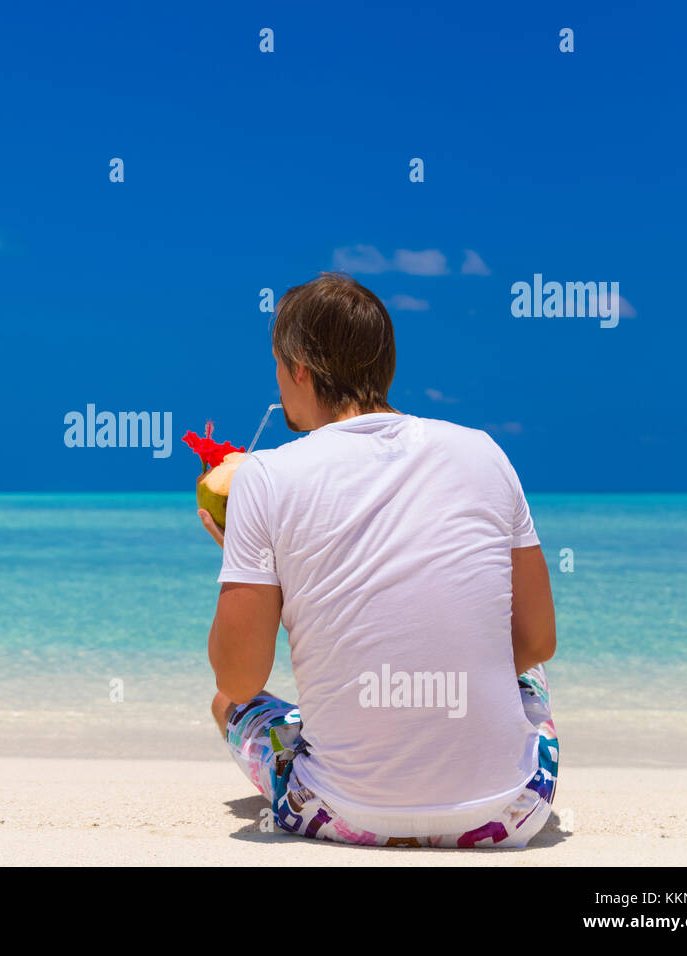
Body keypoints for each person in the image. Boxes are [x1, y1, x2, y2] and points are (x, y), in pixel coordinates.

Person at [198, 271, 559, 847]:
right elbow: (536, 641)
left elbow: (240, 677)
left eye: (277, 365)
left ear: (298, 368)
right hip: (507, 814)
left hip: (340, 810)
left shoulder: (264, 476)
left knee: (229, 705)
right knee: (529, 677)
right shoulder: (485, 453)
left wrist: (246, 564)